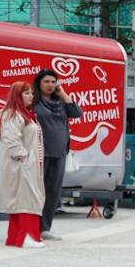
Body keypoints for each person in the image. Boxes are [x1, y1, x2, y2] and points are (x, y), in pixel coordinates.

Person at [32, 68, 82, 240]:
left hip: (59, 153)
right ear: (39, 83)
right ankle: (31, 227)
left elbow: (77, 114)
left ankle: (45, 227)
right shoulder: (34, 102)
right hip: (39, 153)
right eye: (46, 81)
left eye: (53, 82)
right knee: (37, 191)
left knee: (53, 192)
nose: (50, 85)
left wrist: (64, 94)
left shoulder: (60, 102)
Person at [0, 81, 45, 249]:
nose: (31, 96)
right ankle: (26, 237)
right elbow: (11, 141)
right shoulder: (13, 115)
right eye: (26, 93)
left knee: (25, 199)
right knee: (27, 199)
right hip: (22, 165)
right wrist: (26, 158)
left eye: (32, 93)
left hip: (28, 164)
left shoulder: (23, 114)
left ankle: (16, 237)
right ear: (17, 95)